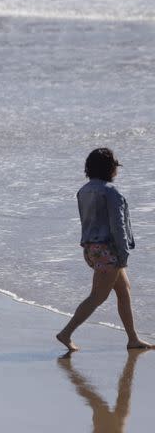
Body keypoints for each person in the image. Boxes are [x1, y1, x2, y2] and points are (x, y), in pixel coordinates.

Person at [56, 148, 152, 351]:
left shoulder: (83, 191)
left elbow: (86, 221)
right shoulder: (111, 192)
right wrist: (123, 253)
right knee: (97, 296)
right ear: (110, 169)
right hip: (110, 250)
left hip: (92, 248)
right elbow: (117, 225)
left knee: (124, 291)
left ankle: (133, 338)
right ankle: (66, 333)